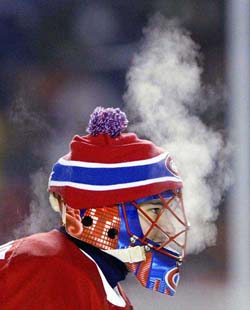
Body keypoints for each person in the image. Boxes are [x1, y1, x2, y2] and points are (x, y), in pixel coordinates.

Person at [0, 107, 189, 309]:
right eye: (153, 210)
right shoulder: (51, 271)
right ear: (100, 213)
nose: (168, 228)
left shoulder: (99, 283)